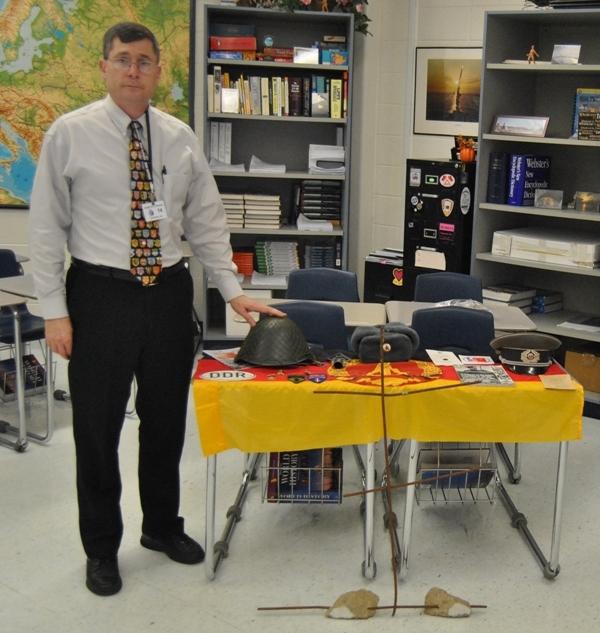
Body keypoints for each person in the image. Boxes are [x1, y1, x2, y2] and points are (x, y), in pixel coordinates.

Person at [29, 22, 283, 597]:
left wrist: (231, 290)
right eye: (123, 60)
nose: (134, 71)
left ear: (158, 69)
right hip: (98, 296)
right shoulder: (69, 134)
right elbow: (46, 228)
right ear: (103, 66)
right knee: (95, 431)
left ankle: (162, 528)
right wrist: (54, 311)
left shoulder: (177, 136)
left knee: (166, 423)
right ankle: (101, 548)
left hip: (168, 293)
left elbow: (206, 221)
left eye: (144, 61)